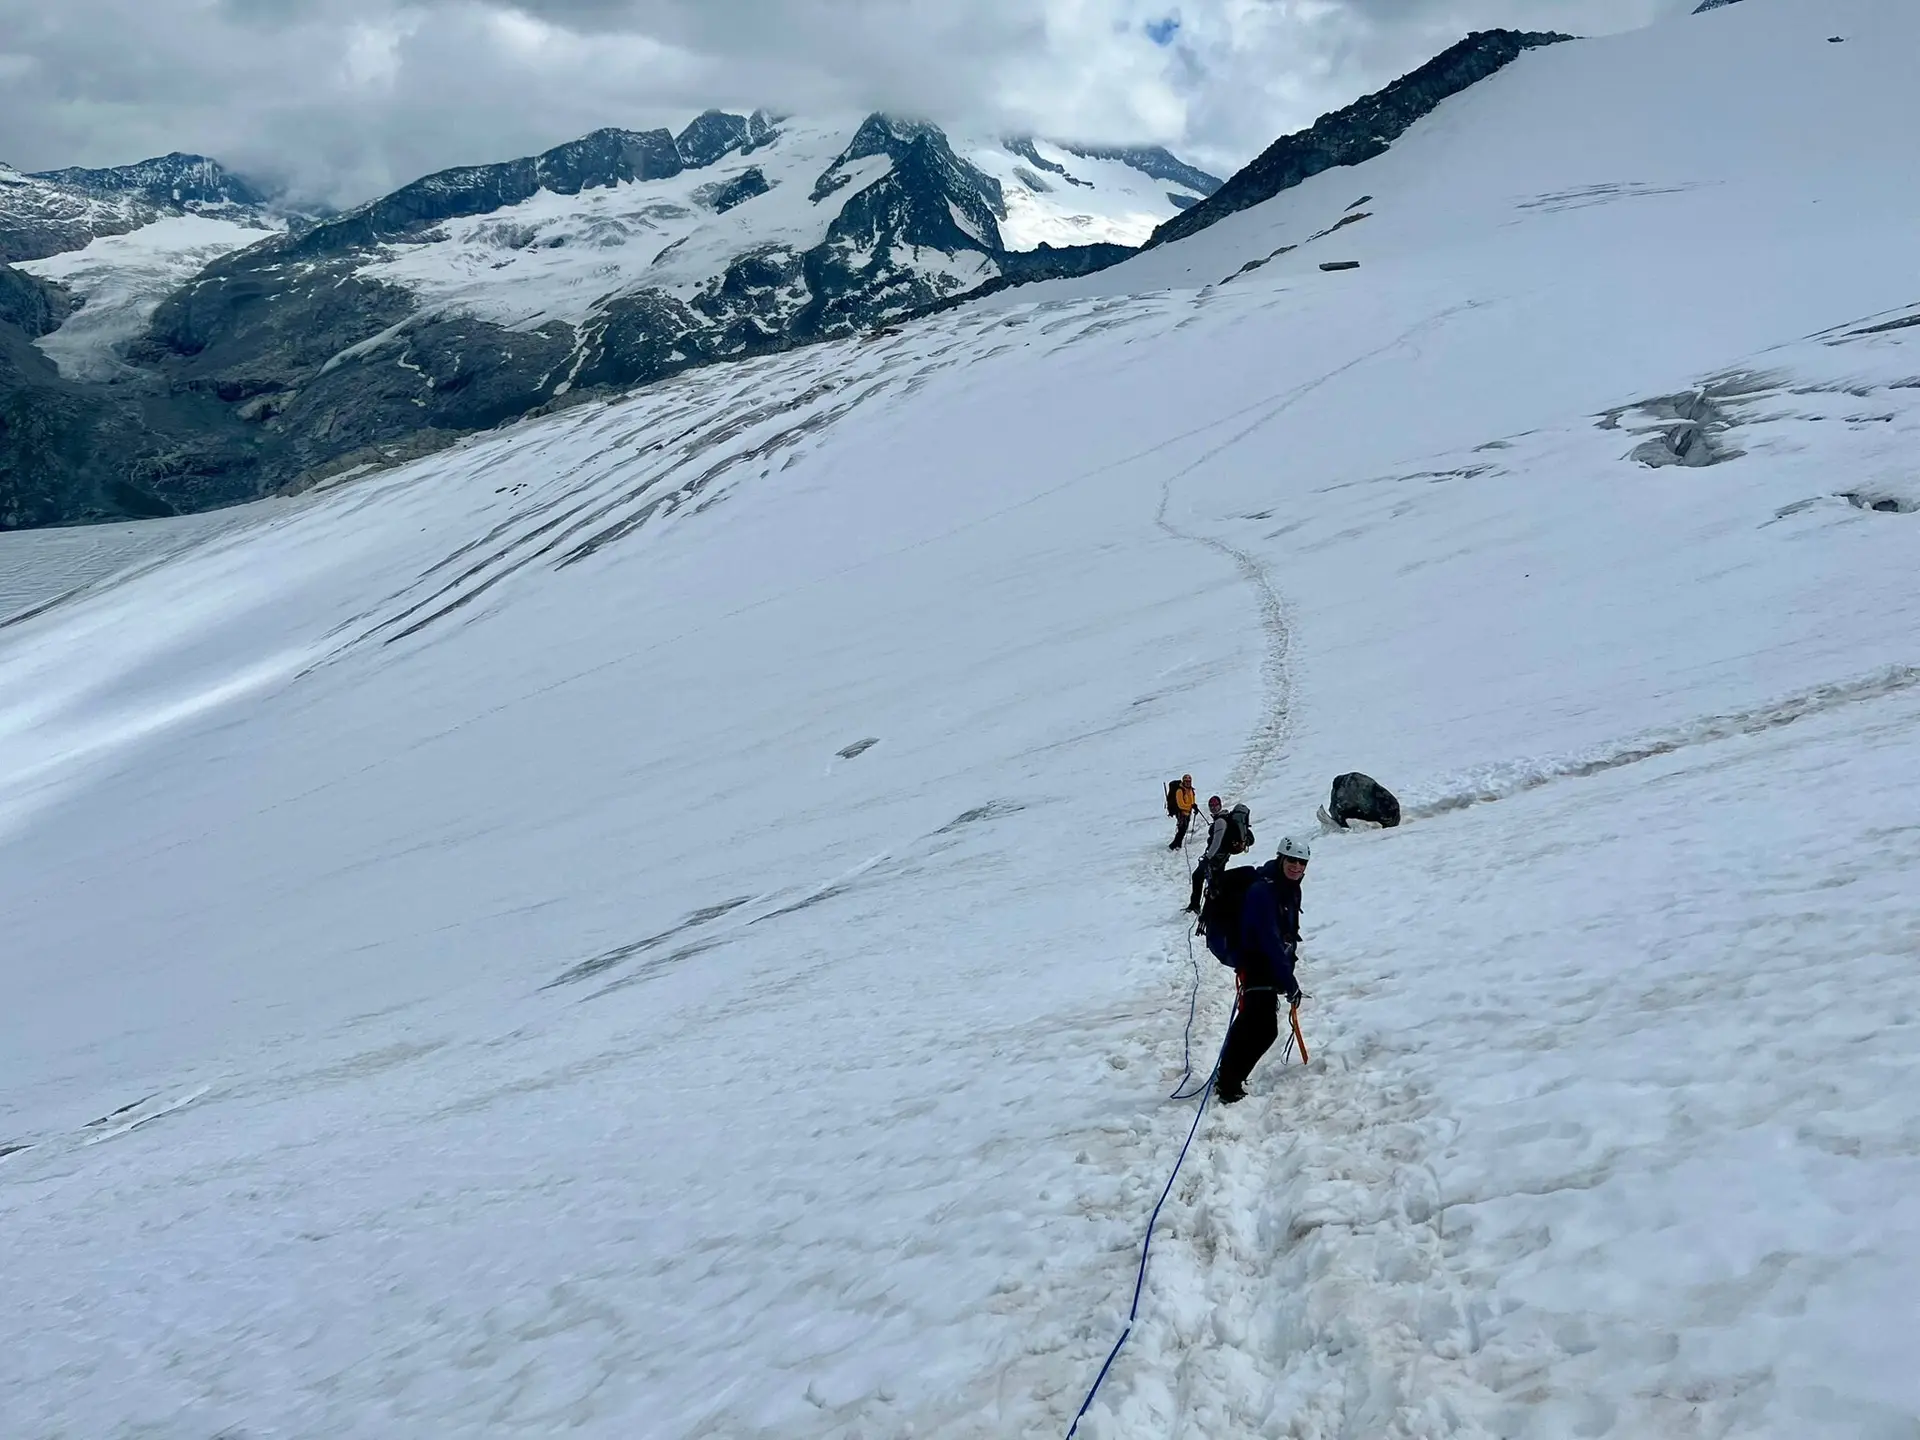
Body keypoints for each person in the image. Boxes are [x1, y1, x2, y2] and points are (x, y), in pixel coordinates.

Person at [1210, 835, 1310, 1104]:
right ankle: (1229, 1082)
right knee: (1262, 1028)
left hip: (1264, 963)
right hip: (1256, 962)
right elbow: (1269, 939)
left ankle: (1228, 1077)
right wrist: (1289, 982)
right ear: (1281, 859)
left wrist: (1287, 971)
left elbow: (1287, 934)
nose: (1297, 867)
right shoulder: (1263, 891)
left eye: (1302, 862)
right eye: (1292, 860)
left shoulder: (1287, 888)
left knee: (1252, 1024)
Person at [1187, 796, 1227, 912]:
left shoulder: (1220, 821)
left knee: (1198, 876)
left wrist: (1208, 858)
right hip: (1221, 857)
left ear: (1220, 805)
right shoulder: (1221, 819)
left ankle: (1196, 906)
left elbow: (1217, 842)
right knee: (1215, 881)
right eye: (1211, 806)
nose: (1213, 808)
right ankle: (1215, 907)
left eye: (1215, 805)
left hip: (1216, 858)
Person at [1165, 774, 1197, 850]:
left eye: (1189, 781)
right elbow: (1181, 805)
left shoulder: (1190, 790)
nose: (1188, 783)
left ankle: (1177, 845)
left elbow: (1192, 800)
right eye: (1186, 781)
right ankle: (1173, 845)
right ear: (1183, 781)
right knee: (1181, 830)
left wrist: (1193, 806)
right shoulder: (1180, 791)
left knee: (1183, 830)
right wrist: (1191, 806)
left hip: (1187, 813)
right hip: (1181, 813)